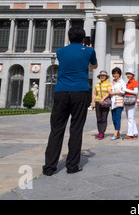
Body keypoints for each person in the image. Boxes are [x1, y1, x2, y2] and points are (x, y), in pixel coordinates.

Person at [42, 27, 97, 176]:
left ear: (69, 37)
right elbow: (94, 65)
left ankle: (49, 167)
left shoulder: (60, 51)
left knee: (56, 129)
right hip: (80, 92)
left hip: (61, 91)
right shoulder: (89, 51)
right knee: (76, 129)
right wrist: (87, 48)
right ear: (82, 38)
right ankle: (72, 166)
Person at [91, 70, 112, 140]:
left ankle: (102, 133)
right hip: (97, 102)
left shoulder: (109, 84)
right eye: (101, 76)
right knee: (98, 117)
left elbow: (109, 93)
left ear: (106, 77)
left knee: (104, 117)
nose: (102, 77)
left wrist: (102, 99)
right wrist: (92, 103)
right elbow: (94, 94)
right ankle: (99, 132)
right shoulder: (97, 84)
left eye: (103, 75)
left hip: (105, 102)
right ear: (99, 77)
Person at [108, 67, 125, 140]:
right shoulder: (112, 82)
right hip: (113, 101)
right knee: (113, 118)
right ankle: (118, 132)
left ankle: (115, 132)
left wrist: (114, 92)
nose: (115, 75)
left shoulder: (122, 82)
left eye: (117, 73)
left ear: (119, 74)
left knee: (118, 117)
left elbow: (123, 92)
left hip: (119, 101)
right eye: (114, 73)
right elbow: (109, 90)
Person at [122, 68, 139, 140]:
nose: (128, 75)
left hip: (131, 101)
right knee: (131, 118)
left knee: (130, 118)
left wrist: (125, 90)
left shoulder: (134, 82)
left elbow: (135, 92)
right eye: (127, 74)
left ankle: (130, 134)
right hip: (127, 101)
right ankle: (135, 133)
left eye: (130, 74)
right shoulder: (128, 82)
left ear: (133, 75)